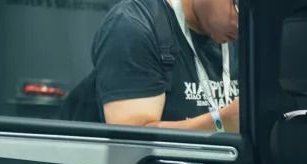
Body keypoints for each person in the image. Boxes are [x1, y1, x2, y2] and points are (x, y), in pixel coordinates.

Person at [83, 0, 239, 130]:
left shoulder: (244, 37)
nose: (242, 24)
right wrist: (223, 121)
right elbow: (132, 143)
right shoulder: (133, 26)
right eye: (239, 6)